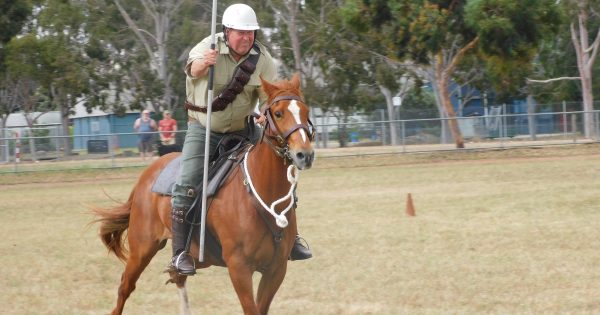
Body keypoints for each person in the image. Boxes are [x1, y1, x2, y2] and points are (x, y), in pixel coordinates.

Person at [170, 3, 312, 275]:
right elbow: (192, 69)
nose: (247, 38)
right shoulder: (208, 46)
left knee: (284, 168)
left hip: (244, 128)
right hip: (204, 130)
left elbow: (269, 95)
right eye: (241, 32)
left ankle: (291, 239)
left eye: (251, 33)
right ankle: (180, 253)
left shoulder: (262, 59)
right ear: (227, 31)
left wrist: (264, 114)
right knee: (187, 183)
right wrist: (204, 64)